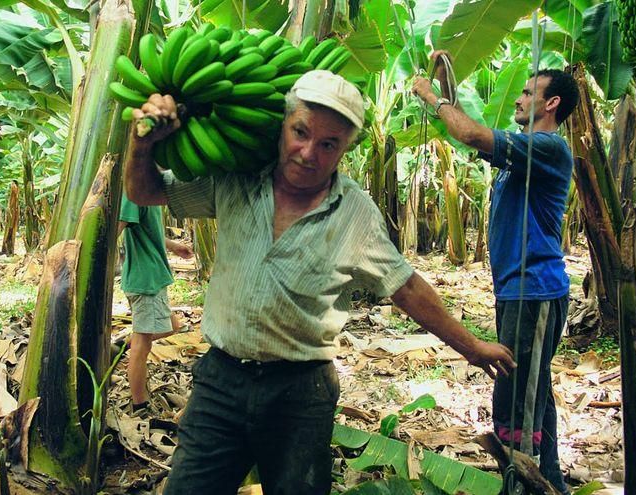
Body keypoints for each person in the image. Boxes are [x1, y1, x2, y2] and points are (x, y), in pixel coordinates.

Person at [124, 69, 516, 495]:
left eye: (328, 144)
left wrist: (471, 346)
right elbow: (145, 192)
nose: (308, 153)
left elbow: (405, 287)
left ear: (344, 149)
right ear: (283, 126)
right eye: (300, 132)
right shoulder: (234, 178)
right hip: (221, 381)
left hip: (301, 391)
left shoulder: (355, 212)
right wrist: (142, 144)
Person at [412, 51, 579, 494]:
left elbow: (468, 131)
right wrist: (447, 81)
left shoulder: (547, 149)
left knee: (515, 397)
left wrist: (431, 97)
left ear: (551, 104)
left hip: (535, 291)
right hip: (517, 292)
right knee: (533, 391)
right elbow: (472, 136)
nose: (520, 98)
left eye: (529, 92)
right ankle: (551, 482)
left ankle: (519, 484)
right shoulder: (522, 155)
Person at [118, 194, 193, 414]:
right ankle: (140, 404)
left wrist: (173, 246)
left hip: (153, 277)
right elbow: (116, 229)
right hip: (145, 280)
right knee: (142, 346)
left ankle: (121, 346)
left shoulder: (147, 192)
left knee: (173, 326)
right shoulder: (133, 193)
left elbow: (149, 231)